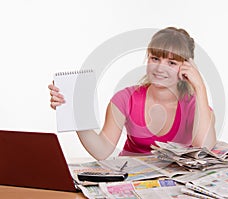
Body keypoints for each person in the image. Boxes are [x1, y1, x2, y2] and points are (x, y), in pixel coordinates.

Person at [49, 27, 217, 160]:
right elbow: (102, 151)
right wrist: (75, 113)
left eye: (172, 63)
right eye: (155, 59)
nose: (159, 68)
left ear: (186, 68)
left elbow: (204, 148)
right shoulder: (125, 99)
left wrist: (199, 87)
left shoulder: (195, 105)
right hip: (131, 182)